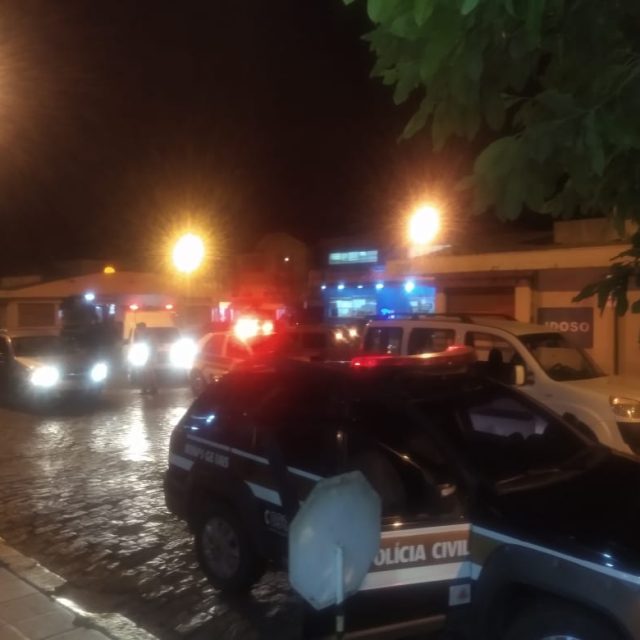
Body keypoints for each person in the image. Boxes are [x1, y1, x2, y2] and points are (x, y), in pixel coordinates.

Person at [134, 323, 158, 395]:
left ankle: (153, 389)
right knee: (143, 373)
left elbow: (153, 347)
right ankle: (145, 389)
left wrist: (152, 357)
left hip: (148, 356)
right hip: (143, 356)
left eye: (139, 329)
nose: (137, 330)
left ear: (143, 328)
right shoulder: (140, 336)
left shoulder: (149, 336)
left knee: (149, 373)